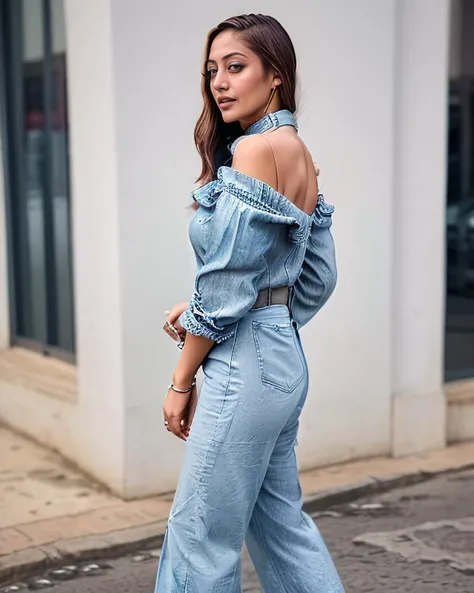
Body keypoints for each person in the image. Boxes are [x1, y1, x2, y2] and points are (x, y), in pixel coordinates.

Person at [155, 13, 345, 593]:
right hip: (282, 363)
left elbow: (227, 284)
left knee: (199, 537)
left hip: (245, 369)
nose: (219, 82)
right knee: (280, 525)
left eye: (236, 67)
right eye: (213, 70)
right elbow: (316, 277)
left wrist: (182, 378)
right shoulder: (299, 153)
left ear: (276, 76)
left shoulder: (256, 152)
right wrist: (261, 319)